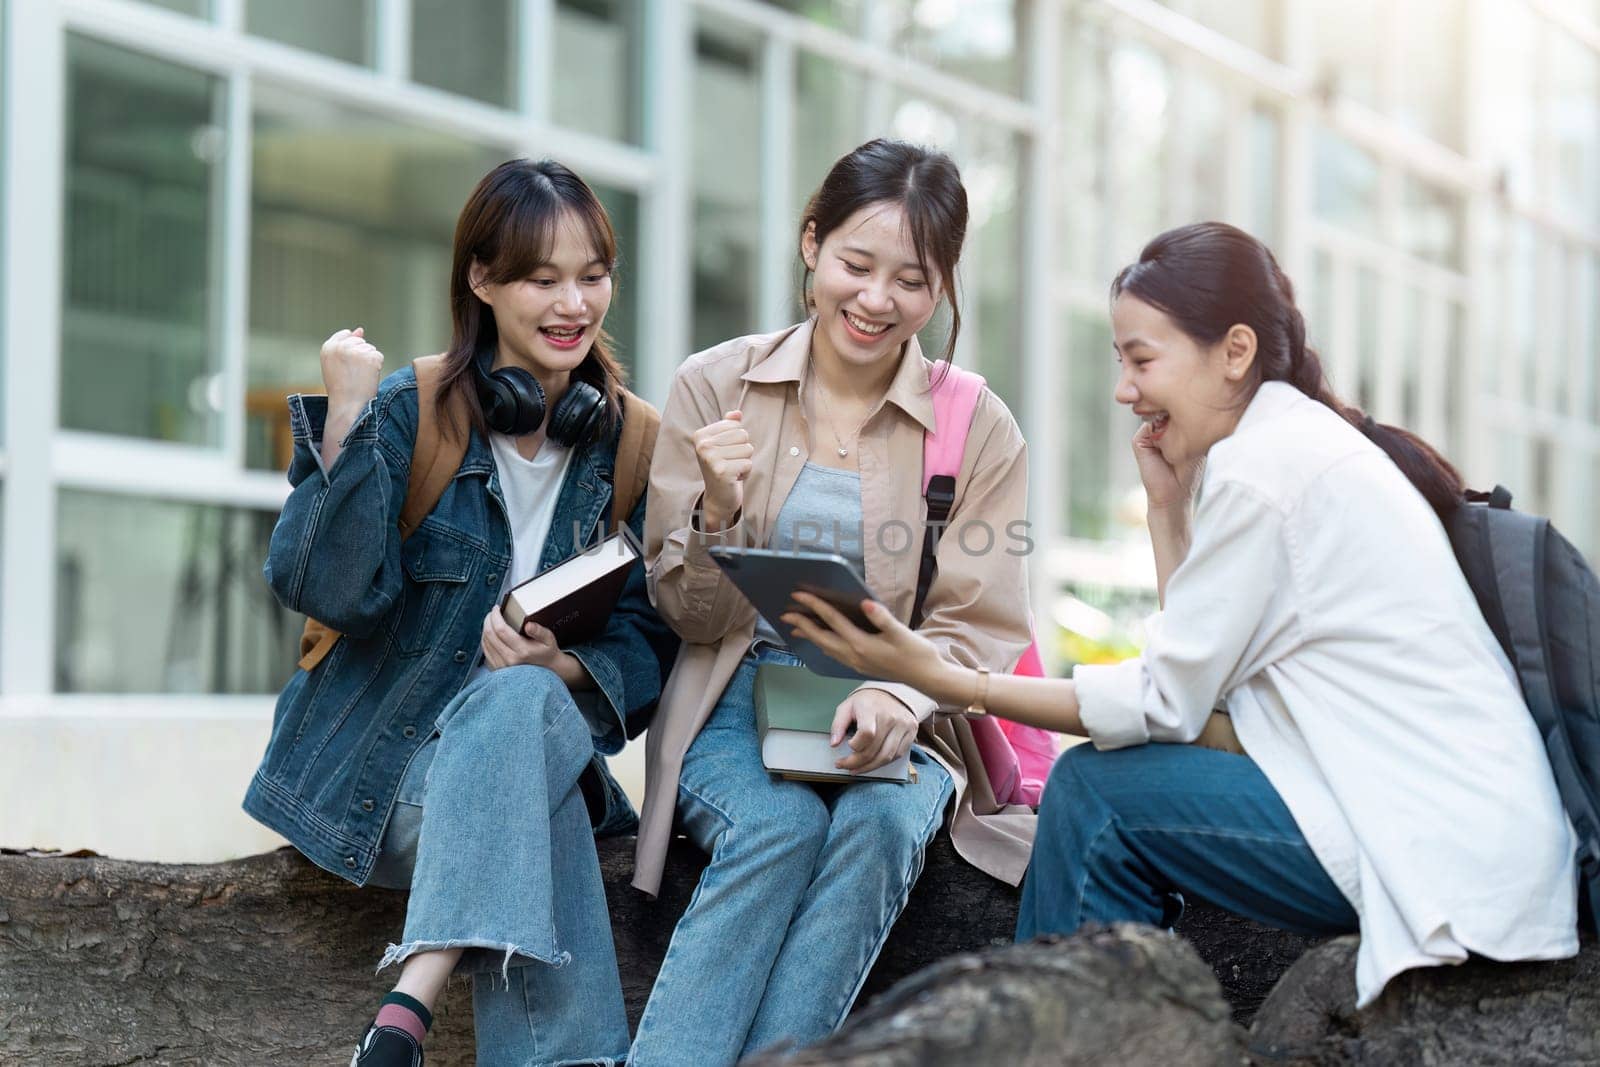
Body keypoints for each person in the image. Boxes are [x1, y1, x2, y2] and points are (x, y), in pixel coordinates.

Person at [781, 220, 1579, 1010]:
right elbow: (1204, 685)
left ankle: (1053, 1037)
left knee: (1096, 794)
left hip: (1438, 852)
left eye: (1141, 359)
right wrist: (1167, 509)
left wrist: (949, 680)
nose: (1125, 390)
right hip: (1445, 834)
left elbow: (1166, 704)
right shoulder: (1290, 444)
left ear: (1234, 352)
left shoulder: (1266, 468)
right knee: (1105, 788)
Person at [245, 158, 677, 1067]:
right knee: (532, 750)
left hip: (532, 753)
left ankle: (406, 1009)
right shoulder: (411, 412)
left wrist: (561, 667)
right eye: (541, 278)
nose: (573, 304)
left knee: (527, 708)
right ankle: (439, 1008)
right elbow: (329, 591)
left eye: (592, 276)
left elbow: (650, 643)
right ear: (481, 280)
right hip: (387, 778)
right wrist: (347, 425)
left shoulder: (634, 443)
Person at [629, 139, 1035, 1066]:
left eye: (911, 280)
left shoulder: (977, 425)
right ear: (811, 246)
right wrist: (719, 514)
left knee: (884, 821)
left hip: (901, 702)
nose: (876, 299)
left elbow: (982, 617)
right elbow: (685, 615)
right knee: (775, 826)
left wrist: (901, 695)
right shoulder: (714, 385)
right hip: (736, 691)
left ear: (940, 290)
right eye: (855, 264)